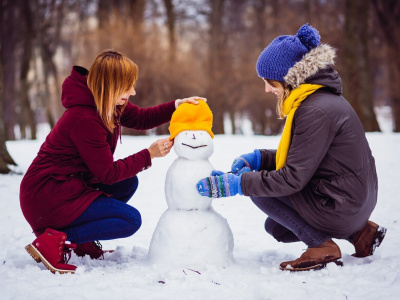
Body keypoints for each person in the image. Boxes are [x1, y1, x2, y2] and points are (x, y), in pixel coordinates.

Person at [197, 24, 387, 271]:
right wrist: (258, 158)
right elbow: (307, 157)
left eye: (269, 82)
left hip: (341, 204)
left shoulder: (314, 110)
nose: (267, 89)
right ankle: (360, 234)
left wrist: (239, 184)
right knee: (276, 228)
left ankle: (322, 246)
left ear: (288, 77)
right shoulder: (320, 100)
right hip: (351, 201)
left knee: (257, 187)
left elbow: (292, 178)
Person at [21, 49, 206, 274]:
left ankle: (81, 244)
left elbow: (141, 118)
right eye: (128, 86)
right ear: (112, 85)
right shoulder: (84, 118)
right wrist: (149, 154)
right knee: (129, 220)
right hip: (47, 196)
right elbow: (107, 174)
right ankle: (55, 241)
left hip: (68, 185)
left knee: (128, 183)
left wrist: (177, 105)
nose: (133, 91)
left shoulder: (107, 103)